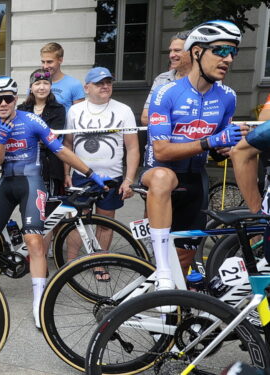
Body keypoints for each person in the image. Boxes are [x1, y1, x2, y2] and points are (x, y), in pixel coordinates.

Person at [0, 76, 110, 329]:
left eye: (8, 98)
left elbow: (60, 150)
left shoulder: (31, 120)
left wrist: (89, 173)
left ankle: (38, 302)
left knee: (34, 241)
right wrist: (1, 140)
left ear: (15, 99)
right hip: (6, 183)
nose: (3, 103)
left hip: (32, 182)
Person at [143, 21, 245, 290]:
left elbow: (220, 150)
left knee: (185, 259)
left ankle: (172, 316)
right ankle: (162, 271)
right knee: (164, 177)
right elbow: (161, 150)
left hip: (196, 178)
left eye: (233, 52)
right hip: (161, 173)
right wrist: (211, 141)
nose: (229, 59)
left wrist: (226, 148)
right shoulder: (166, 93)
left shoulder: (228, 97)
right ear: (197, 52)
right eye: (221, 50)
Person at [63, 67, 140, 266]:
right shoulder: (75, 110)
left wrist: (129, 179)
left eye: (108, 82)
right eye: (99, 83)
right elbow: (68, 144)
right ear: (87, 88)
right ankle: (71, 263)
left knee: (105, 223)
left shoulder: (124, 110)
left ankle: (99, 262)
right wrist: (67, 173)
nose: (105, 86)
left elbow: (132, 148)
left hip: (111, 176)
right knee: (77, 221)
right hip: (81, 175)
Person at [17, 69, 67, 196]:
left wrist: (31, 136)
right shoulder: (21, 109)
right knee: (28, 200)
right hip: (26, 163)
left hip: (51, 163)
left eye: (46, 83)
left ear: (50, 86)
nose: (42, 87)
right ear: (31, 87)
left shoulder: (58, 109)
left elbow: (51, 137)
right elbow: (18, 135)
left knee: (50, 202)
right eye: (37, 84)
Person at [140, 32, 192, 126]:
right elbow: (145, 118)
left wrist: (164, 113)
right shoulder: (162, 79)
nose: (171, 55)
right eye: (170, 51)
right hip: (164, 139)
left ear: (192, 52)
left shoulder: (208, 79)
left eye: (177, 50)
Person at [40, 42, 85, 111]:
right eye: (43, 62)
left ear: (60, 60)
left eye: (49, 62)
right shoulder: (36, 83)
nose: (45, 66)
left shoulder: (74, 84)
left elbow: (80, 116)